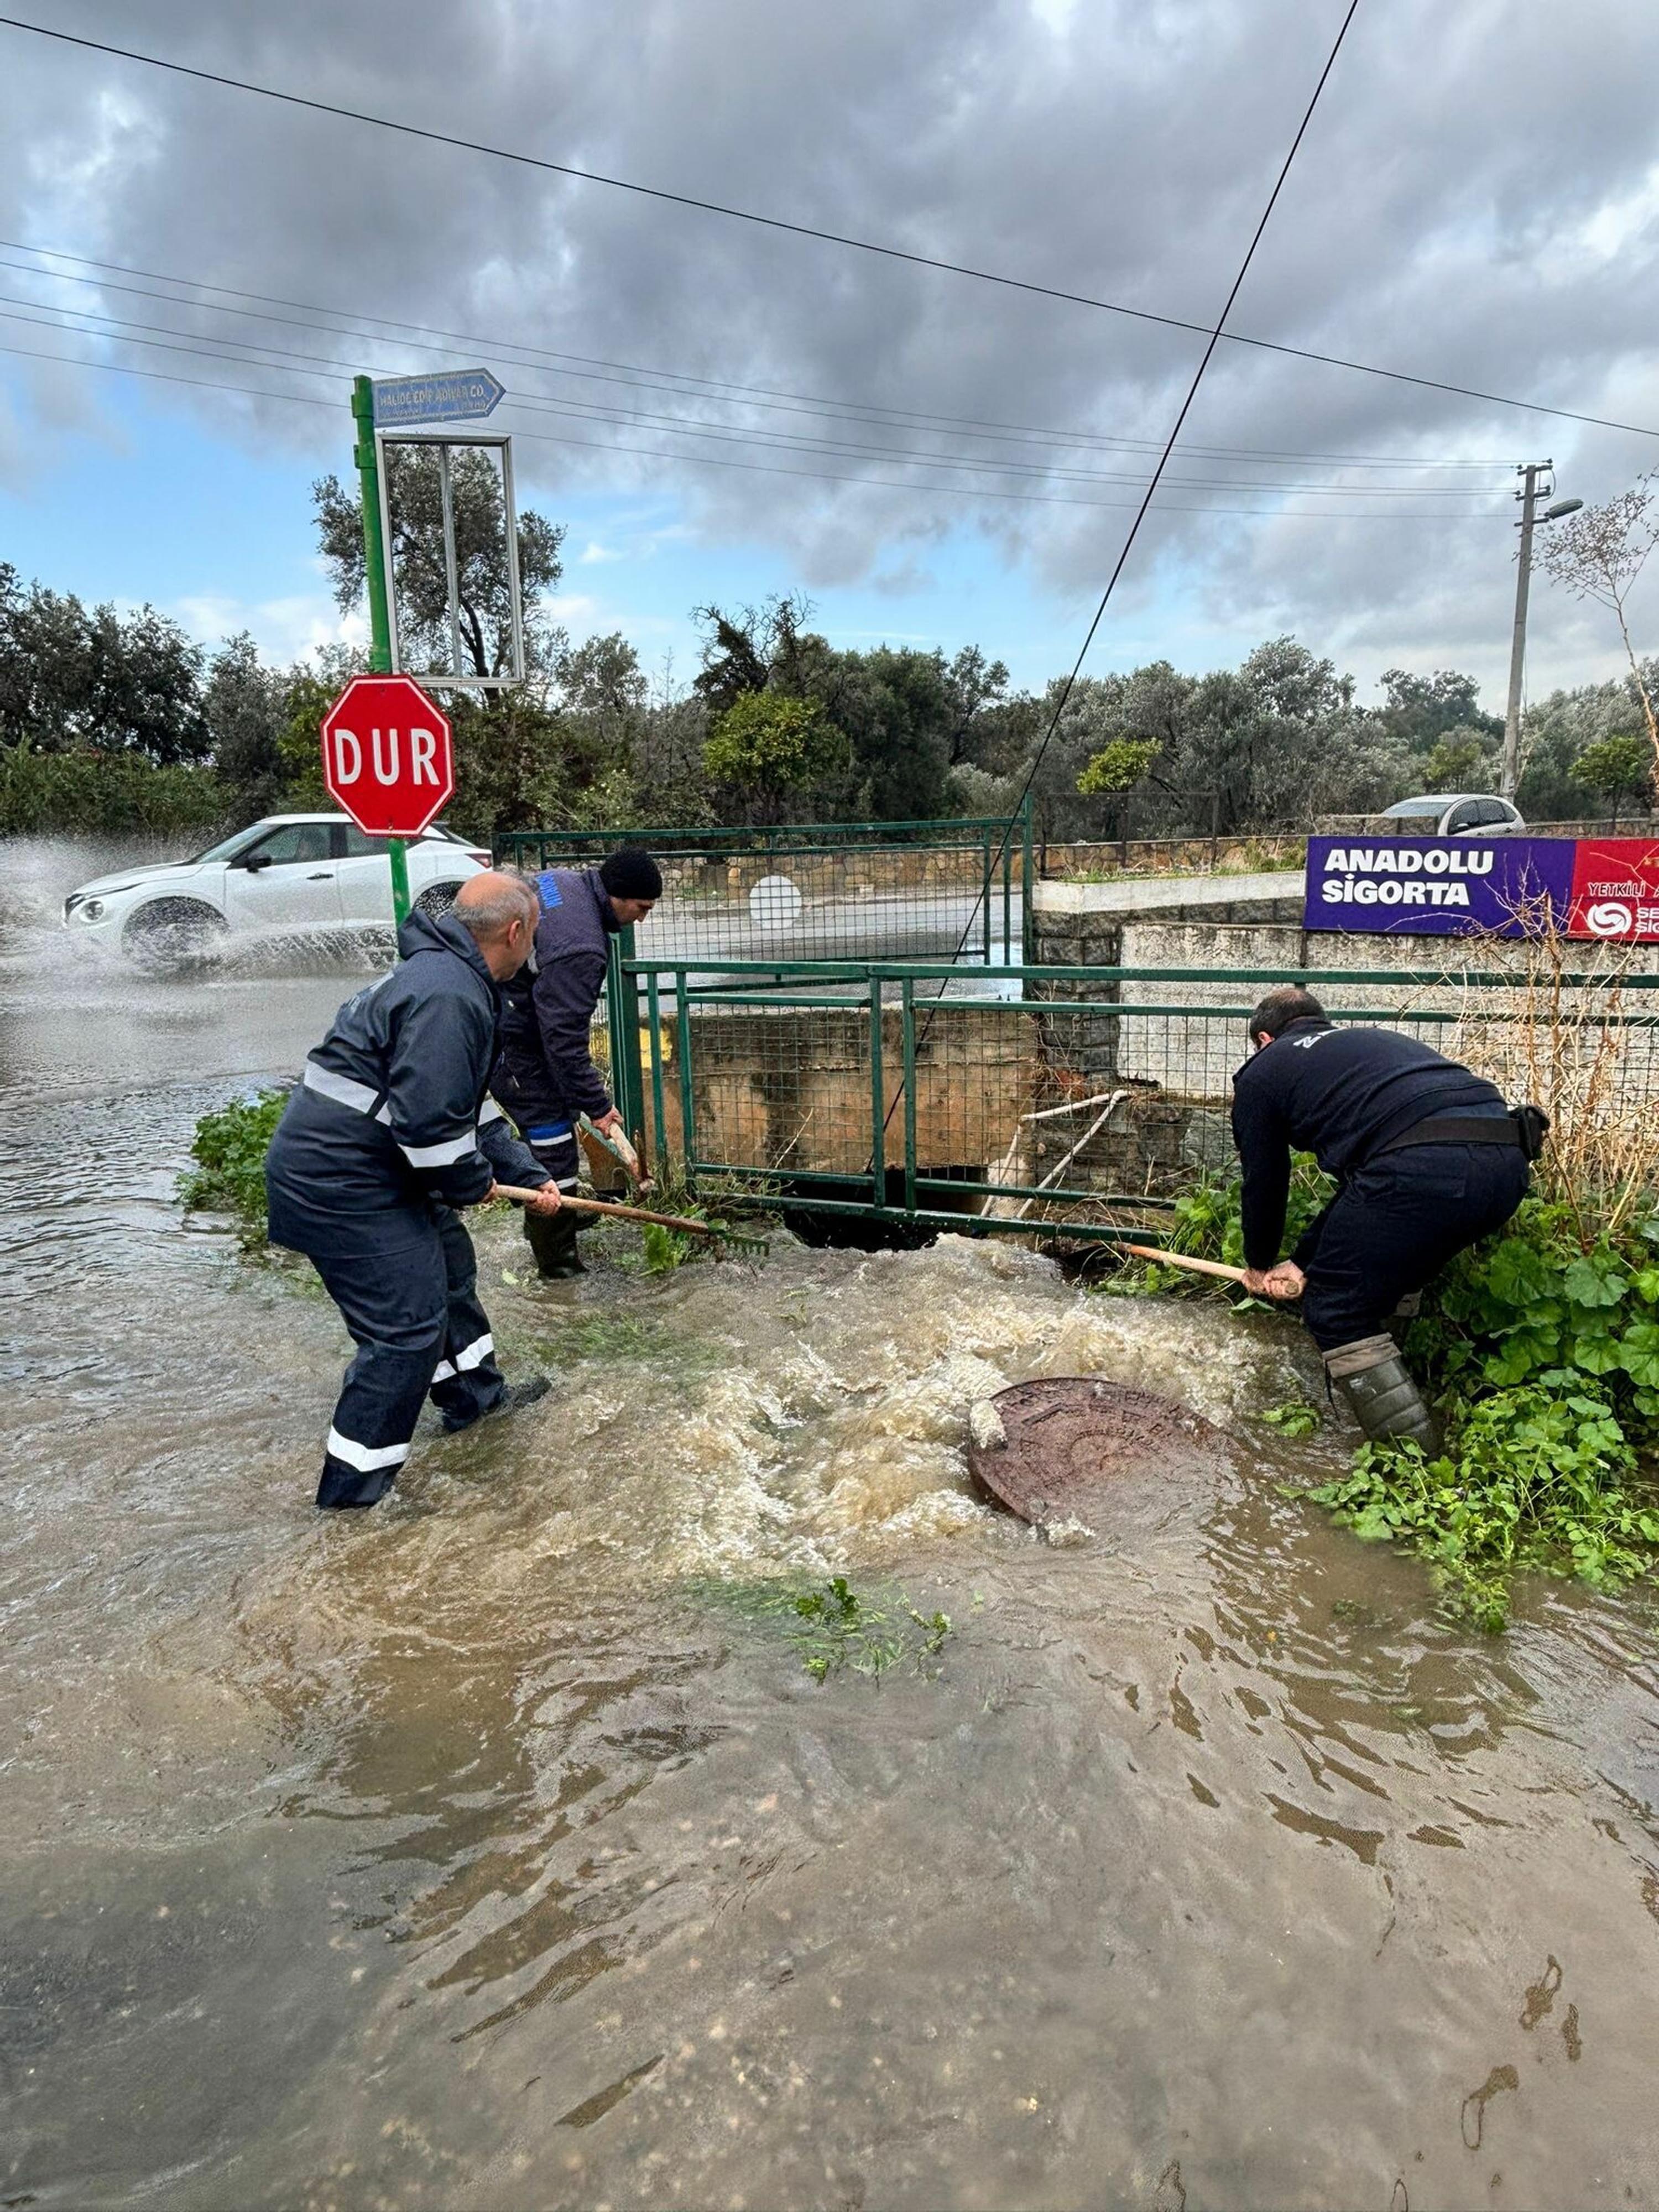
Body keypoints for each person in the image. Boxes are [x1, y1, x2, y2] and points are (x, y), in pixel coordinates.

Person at [265, 871, 566, 1510]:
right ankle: (351, 1504)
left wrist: (523, 1171)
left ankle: (476, 1400)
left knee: (450, 1266)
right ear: (515, 931)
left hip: (374, 1171)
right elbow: (432, 1129)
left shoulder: (451, 979)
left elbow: (468, 1109)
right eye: (535, 933)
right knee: (404, 1335)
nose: (534, 946)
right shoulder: (449, 995)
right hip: (343, 1185)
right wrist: (473, 1182)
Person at [1230, 984, 1535, 1451]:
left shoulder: (1263, 1071)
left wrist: (1259, 1262)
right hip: (1507, 1163)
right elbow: (1368, 1186)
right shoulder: (1371, 1044)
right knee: (1393, 1270)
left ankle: (1410, 1459)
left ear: (1264, 1040)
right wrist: (1304, 1261)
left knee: (1335, 1309)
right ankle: (1414, 1389)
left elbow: (1265, 1179)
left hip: (1422, 1168)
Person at [490, 847, 662, 1279]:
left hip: (507, 1014)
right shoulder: (582, 948)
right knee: (552, 1141)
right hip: (509, 1039)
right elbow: (564, 1040)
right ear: (618, 895)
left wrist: (582, 1098)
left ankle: (557, 1214)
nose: (642, 919)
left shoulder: (564, 882)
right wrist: (599, 1106)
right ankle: (558, 1263)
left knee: (555, 1126)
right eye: (642, 908)